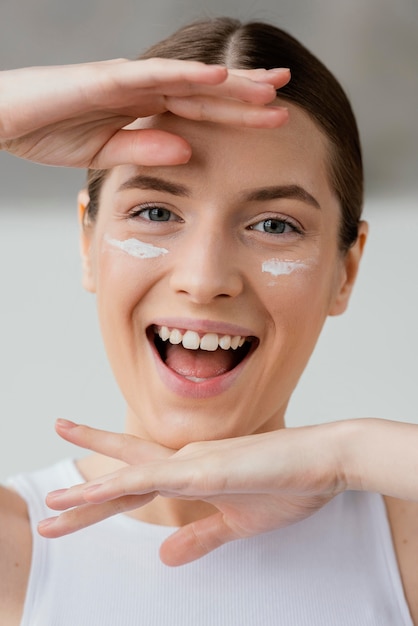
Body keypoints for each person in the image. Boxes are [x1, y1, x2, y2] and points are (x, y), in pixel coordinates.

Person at [1, 16, 417, 626]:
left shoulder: (404, 546)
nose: (204, 277)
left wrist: (349, 453)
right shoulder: (16, 549)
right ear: (88, 244)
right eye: (153, 210)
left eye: (274, 225)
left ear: (345, 270)